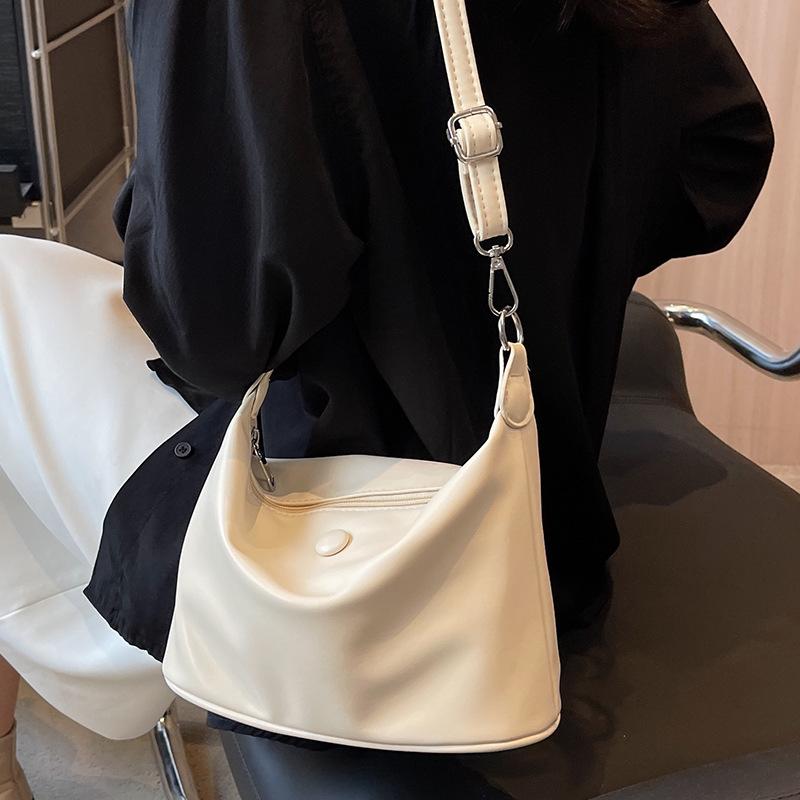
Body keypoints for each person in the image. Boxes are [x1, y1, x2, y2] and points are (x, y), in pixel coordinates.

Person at [0, 0, 773, 779]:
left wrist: (158, 203)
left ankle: (66, 712)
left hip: (346, 565)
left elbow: (213, 332)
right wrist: (554, 263)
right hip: (552, 515)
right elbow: (721, 149)